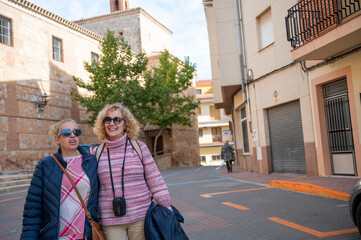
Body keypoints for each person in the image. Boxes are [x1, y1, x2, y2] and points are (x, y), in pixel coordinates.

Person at [93, 103, 171, 240]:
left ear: (125, 124)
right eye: (107, 120)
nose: (112, 123)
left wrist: (165, 206)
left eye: (117, 119)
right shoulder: (97, 153)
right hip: (110, 220)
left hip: (141, 216)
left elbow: (155, 180)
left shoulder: (139, 148)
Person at [21, 119, 99, 240]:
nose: (72, 135)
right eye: (66, 133)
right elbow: (33, 207)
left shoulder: (91, 161)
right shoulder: (45, 165)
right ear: (57, 139)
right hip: (56, 236)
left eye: (76, 132)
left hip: (86, 234)